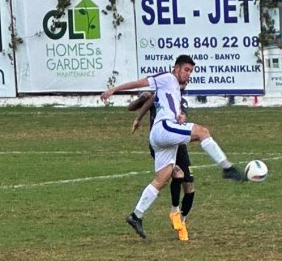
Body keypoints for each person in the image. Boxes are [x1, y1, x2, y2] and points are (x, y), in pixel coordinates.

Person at [100, 55, 244, 239]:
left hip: (163, 136)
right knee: (202, 132)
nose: (188, 74)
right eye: (186, 70)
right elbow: (139, 83)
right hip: (162, 129)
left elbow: (160, 103)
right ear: (176, 68)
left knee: (161, 179)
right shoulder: (167, 78)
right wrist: (114, 89)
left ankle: (136, 215)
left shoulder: (175, 90)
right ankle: (227, 168)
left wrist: (179, 118)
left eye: (190, 71)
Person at [128, 90, 195, 242]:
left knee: (189, 187)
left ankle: (181, 220)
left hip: (178, 144)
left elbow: (183, 114)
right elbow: (131, 107)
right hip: (160, 144)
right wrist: (141, 100)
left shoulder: (179, 101)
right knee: (175, 174)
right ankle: (173, 211)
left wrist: (182, 118)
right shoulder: (155, 98)